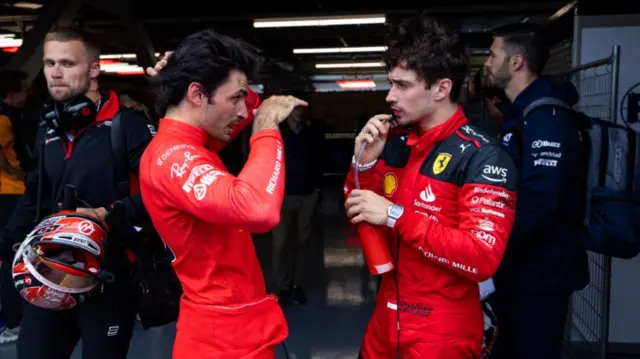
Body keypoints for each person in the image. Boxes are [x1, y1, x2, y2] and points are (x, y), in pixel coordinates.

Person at [343, 15, 518, 359]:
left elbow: (482, 258)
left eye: (403, 85)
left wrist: (395, 215)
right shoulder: (393, 144)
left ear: (442, 88)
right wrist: (362, 164)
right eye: (390, 83)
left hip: (442, 330)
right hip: (384, 321)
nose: (390, 96)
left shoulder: (483, 157)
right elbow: (359, 211)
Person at [139, 29, 307, 359]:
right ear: (198, 95)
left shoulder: (193, 141)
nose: (244, 111)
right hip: (222, 340)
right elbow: (258, 210)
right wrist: (268, 126)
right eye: (235, 99)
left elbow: (248, 108)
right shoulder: (174, 155)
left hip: (236, 328)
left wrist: (183, 72)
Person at [0, 27, 156, 359]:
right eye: (49, 63)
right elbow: (34, 199)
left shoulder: (126, 126)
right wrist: (4, 243)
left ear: (94, 69)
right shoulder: (48, 129)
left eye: (68, 63)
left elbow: (167, 196)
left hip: (110, 279)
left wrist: (108, 215)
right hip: (51, 274)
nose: (55, 73)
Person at [483, 23, 588, 359]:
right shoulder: (519, 116)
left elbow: (539, 201)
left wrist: (487, 242)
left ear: (515, 63)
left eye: (492, 53)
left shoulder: (546, 117)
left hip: (541, 279)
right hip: (516, 274)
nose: (486, 62)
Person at [271, 104, 324, 305]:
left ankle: (297, 286)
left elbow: (319, 160)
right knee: (281, 243)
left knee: (302, 242)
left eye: (301, 109)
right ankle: (283, 287)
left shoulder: (310, 134)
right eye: (294, 109)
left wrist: (317, 189)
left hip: (307, 194)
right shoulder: (276, 135)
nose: (298, 113)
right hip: (281, 197)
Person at [0, 69, 29, 345]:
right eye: (22, 90)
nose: (26, 95)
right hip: (11, 192)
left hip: (11, 192)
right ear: (11, 94)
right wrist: (17, 172)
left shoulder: (13, 115)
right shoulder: (3, 118)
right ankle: (13, 322)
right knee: (11, 255)